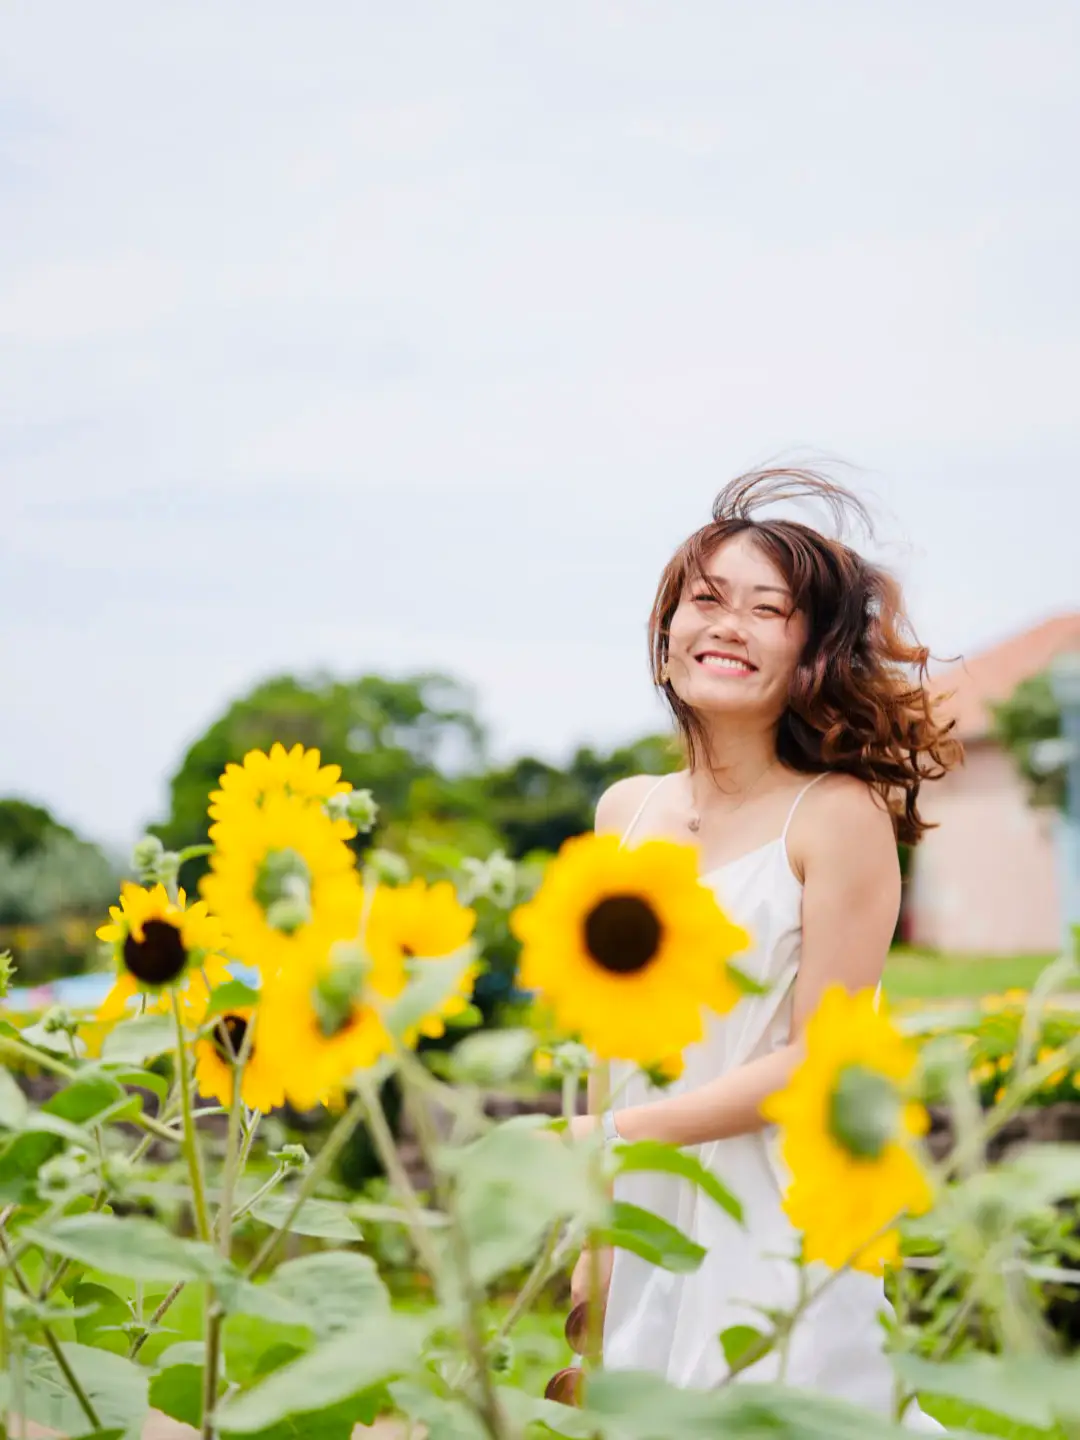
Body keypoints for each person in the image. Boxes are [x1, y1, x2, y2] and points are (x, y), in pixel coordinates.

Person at [567, 468, 960, 1423]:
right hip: (647, 1204)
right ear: (665, 642)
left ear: (811, 655)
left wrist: (607, 1139)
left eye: (767, 609)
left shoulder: (836, 820)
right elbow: (601, 1043)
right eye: (705, 599)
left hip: (776, 1216)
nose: (727, 625)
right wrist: (589, 1242)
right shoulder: (624, 814)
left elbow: (816, 1061)